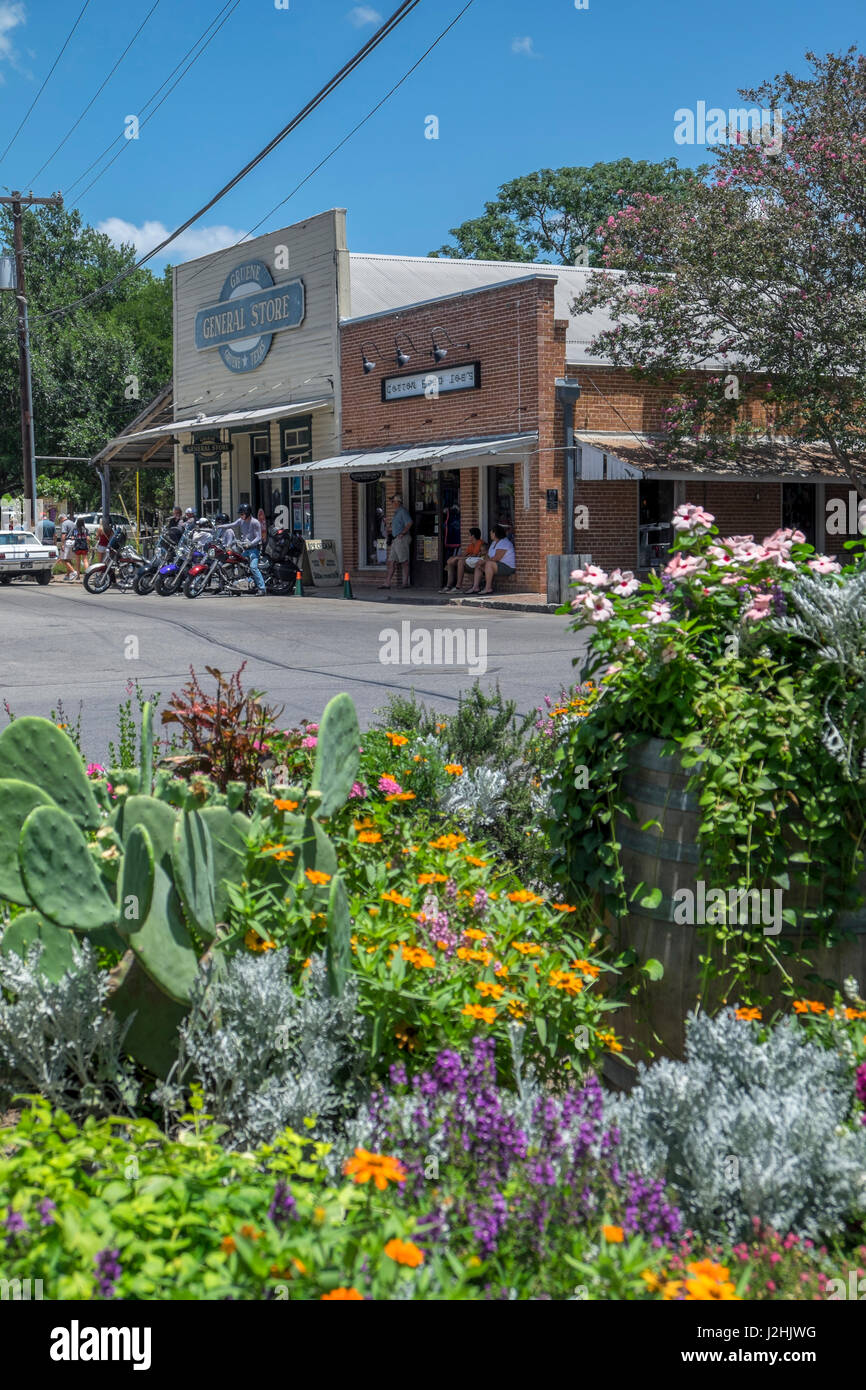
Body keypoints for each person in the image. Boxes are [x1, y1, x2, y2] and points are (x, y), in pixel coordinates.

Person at [379, 492, 413, 589]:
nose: (391, 503)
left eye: (393, 501)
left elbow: (409, 523)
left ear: (398, 502)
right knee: (391, 561)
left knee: (404, 561)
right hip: (395, 539)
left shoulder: (403, 511)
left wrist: (402, 533)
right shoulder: (396, 512)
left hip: (401, 539)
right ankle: (387, 583)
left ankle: (405, 582)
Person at [472, 525, 516, 594]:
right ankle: (475, 587)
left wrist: (485, 561)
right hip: (497, 565)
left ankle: (488, 588)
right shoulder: (494, 543)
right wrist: (483, 561)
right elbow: (488, 556)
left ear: (495, 533)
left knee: (489, 564)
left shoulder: (504, 542)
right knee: (479, 564)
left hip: (508, 566)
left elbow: (497, 558)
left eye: (491, 532)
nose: (490, 534)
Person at [233, 502, 266, 595]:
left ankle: (262, 589)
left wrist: (250, 544)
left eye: (242, 514)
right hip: (246, 550)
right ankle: (239, 586)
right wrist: (219, 526)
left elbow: (258, 537)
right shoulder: (241, 521)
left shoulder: (255, 522)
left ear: (247, 513)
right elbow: (231, 525)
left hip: (254, 549)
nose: (241, 515)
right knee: (237, 562)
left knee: (253, 567)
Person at [440, 526, 485, 592]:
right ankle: (448, 586)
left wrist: (458, 558)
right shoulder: (471, 545)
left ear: (472, 536)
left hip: (478, 565)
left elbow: (474, 556)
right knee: (450, 563)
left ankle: (458, 587)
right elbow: (463, 555)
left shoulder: (479, 543)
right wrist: (453, 558)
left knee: (461, 561)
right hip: (470, 564)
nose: (467, 536)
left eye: (468, 535)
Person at [58, 514, 77, 580]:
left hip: (67, 542)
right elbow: (76, 532)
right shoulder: (72, 523)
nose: (60, 521)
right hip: (73, 541)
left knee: (63, 559)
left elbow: (64, 534)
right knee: (69, 559)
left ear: (61, 518)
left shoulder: (64, 524)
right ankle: (67, 575)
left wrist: (62, 544)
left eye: (59, 520)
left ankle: (73, 572)